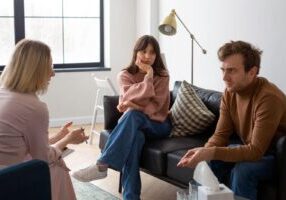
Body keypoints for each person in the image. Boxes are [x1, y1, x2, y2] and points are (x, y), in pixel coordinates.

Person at [177, 40, 286, 200]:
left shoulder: (269, 98)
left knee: (243, 170)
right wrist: (204, 153)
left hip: (276, 157)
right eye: (222, 70)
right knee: (208, 162)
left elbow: (256, 151)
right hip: (251, 148)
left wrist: (209, 152)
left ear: (252, 72)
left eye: (232, 71)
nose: (224, 77)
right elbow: (220, 135)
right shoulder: (230, 92)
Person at [72, 35, 172, 200]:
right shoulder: (124, 75)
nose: (147, 56)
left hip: (159, 125)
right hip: (137, 125)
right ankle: (131, 197)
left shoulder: (162, 75)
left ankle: (102, 165)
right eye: (143, 51)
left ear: (157, 55)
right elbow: (128, 97)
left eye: (152, 52)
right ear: (136, 53)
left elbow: (156, 106)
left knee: (133, 114)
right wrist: (139, 97)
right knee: (135, 139)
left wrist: (148, 78)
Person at [0, 39, 89, 200]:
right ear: (35, 70)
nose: (53, 73)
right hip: (7, 178)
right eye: (50, 66)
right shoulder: (34, 107)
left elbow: (19, 144)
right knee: (57, 166)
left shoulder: (3, 92)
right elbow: (41, 160)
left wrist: (57, 137)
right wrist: (67, 140)